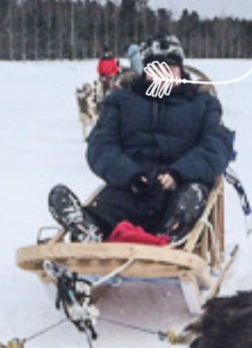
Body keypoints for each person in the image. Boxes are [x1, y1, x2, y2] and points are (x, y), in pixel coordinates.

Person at [48, 35, 234, 244]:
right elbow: (101, 145)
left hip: (179, 187)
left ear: (181, 70)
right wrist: (130, 176)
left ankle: (169, 236)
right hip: (131, 186)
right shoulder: (121, 101)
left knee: (190, 198)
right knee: (111, 205)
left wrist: (178, 173)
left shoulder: (203, 104)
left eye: (170, 68)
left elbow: (217, 145)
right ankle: (89, 228)